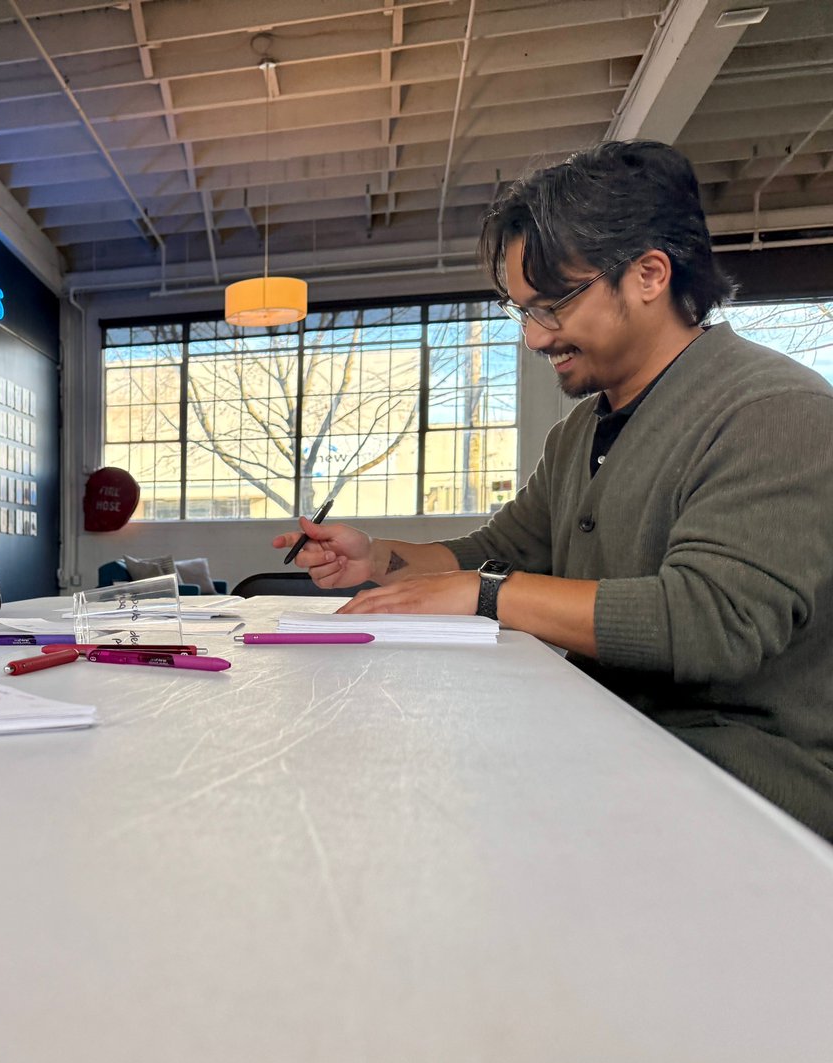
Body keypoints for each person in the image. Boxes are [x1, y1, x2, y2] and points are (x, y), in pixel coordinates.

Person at [274, 140, 833, 835]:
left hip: (748, 785)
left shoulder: (774, 410)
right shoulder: (579, 434)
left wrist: (487, 596)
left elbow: (712, 622)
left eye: (554, 305)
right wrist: (376, 557)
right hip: (615, 741)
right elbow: (500, 550)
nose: (536, 339)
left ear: (649, 274)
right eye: (523, 312)